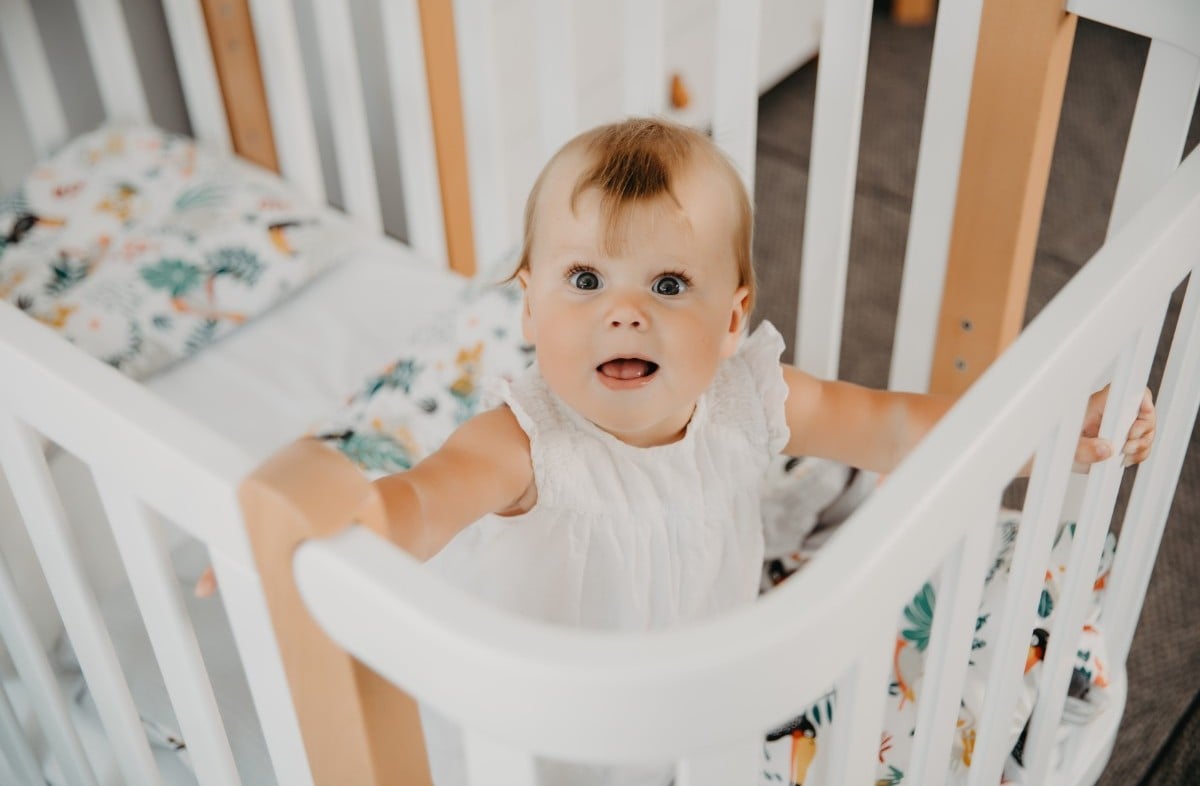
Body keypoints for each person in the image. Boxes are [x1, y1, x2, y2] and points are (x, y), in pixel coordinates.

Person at [363, 117, 1155, 785]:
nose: (624, 313)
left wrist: (1046, 431)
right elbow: (426, 499)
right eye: (585, 279)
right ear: (530, 307)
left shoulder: (744, 397)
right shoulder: (523, 443)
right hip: (565, 729)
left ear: (732, 319)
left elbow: (891, 428)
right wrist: (354, 521)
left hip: (713, 678)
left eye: (668, 284)